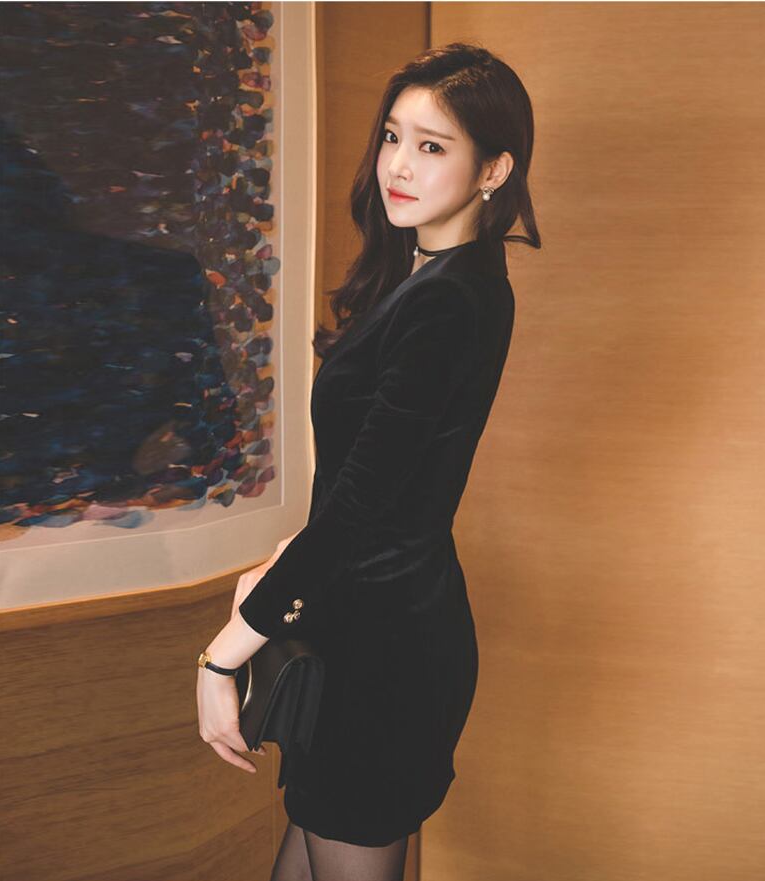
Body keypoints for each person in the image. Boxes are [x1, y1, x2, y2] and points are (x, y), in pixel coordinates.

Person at [196, 42, 542, 881]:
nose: (398, 165)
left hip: (386, 650)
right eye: (392, 136)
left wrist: (222, 657)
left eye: (432, 146)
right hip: (365, 627)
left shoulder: (450, 300)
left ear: (494, 170)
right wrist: (278, 567)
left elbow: (362, 506)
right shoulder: (431, 276)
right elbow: (377, 482)